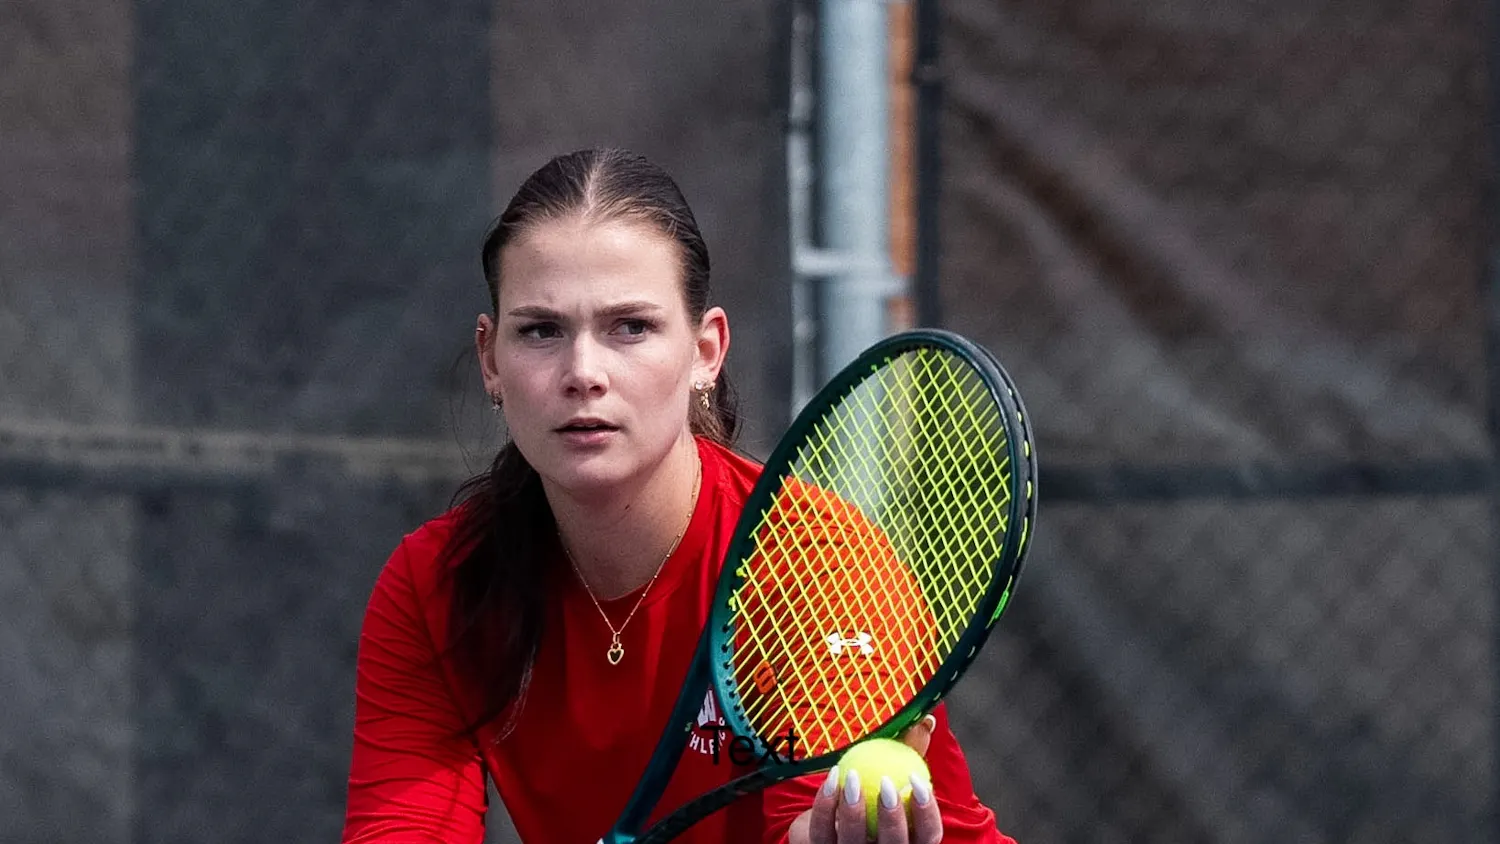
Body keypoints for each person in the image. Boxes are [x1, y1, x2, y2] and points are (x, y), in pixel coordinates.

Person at [340, 148, 1018, 844]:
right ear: (490, 361)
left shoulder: (815, 566)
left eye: (630, 327)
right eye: (541, 330)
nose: (583, 372)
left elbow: (807, 832)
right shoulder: (436, 584)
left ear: (706, 352)